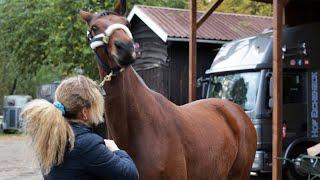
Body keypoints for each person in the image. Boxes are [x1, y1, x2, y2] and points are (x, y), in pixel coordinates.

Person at [21, 75, 139, 180]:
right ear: (84, 112)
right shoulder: (87, 144)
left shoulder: (48, 136)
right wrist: (116, 150)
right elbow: (131, 175)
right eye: (96, 105)